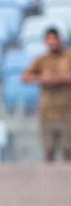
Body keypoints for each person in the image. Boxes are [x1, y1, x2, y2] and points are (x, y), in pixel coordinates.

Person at [22, 27, 71, 162]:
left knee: (68, 151)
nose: (52, 43)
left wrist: (59, 78)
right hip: (47, 111)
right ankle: (49, 182)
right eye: (49, 40)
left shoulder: (68, 57)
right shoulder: (42, 60)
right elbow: (25, 77)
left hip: (67, 111)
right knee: (49, 151)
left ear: (60, 40)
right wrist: (42, 78)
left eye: (54, 39)